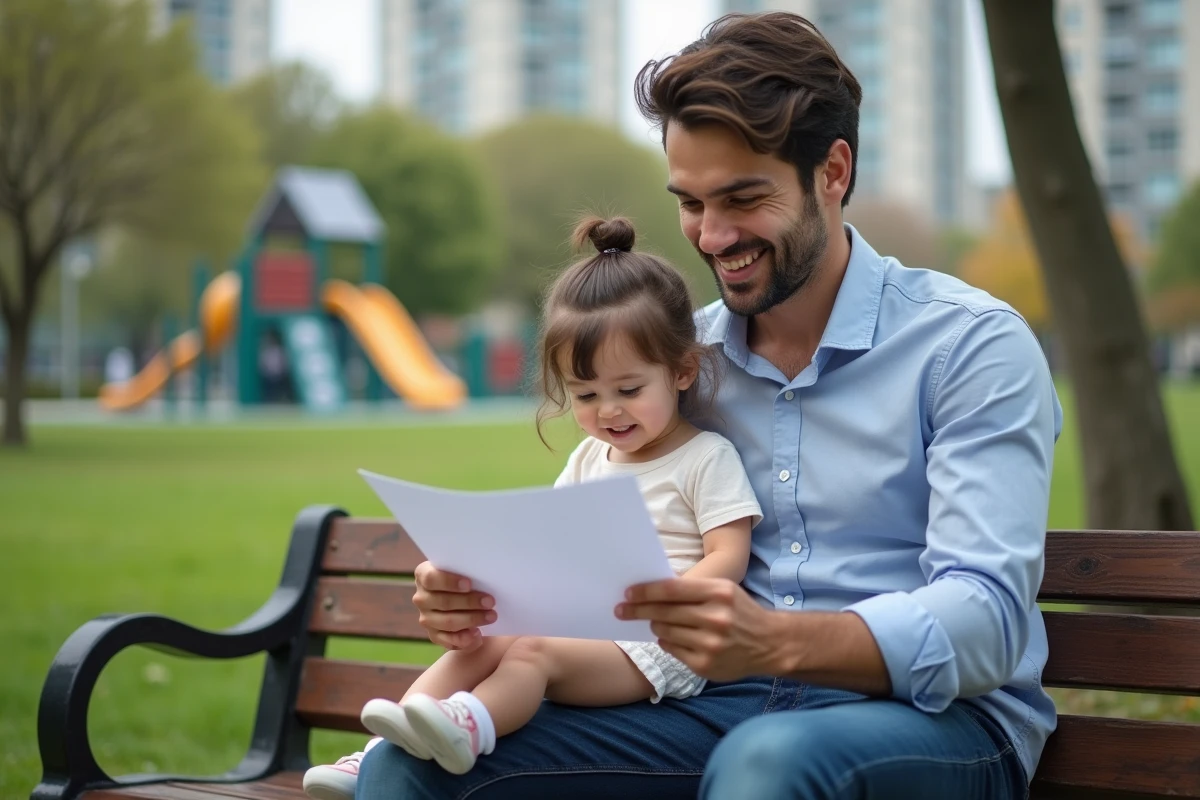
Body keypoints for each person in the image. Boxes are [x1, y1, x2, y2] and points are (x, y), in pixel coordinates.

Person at [357, 11, 1061, 799]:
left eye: (742, 198)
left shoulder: (968, 348)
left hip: (936, 722)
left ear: (833, 172)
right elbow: (604, 555)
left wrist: (779, 642)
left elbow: (988, 620)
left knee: (770, 761)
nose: (713, 235)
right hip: (712, 706)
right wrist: (486, 595)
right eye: (690, 203)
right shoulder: (679, 362)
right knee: (407, 767)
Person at [301, 216, 762, 800]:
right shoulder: (590, 458)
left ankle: (472, 727)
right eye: (586, 395)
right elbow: (552, 541)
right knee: (486, 640)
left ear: (682, 371)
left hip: (658, 643)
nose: (608, 411)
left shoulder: (704, 457)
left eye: (629, 390)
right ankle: (380, 752)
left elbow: (729, 556)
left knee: (531, 650)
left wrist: (663, 602)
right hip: (582, 624)